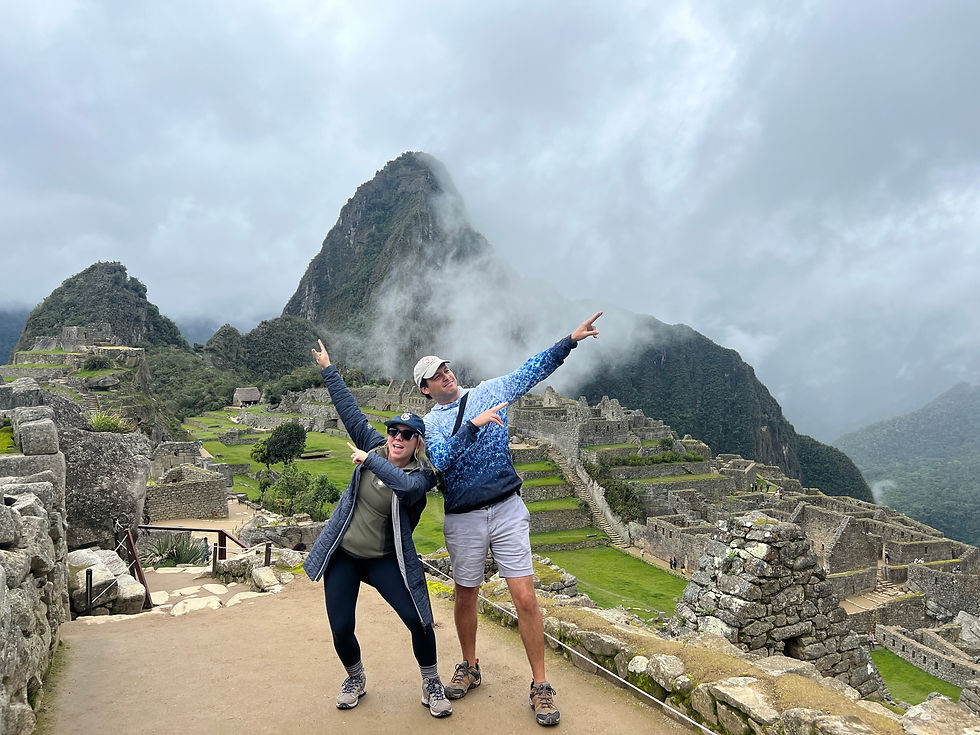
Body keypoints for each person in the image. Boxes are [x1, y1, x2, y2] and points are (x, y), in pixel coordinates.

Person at [415, 312, 602, 727]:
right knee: (466, 595)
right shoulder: (430, 424)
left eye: (445, 367)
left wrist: (568, 341)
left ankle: (540, 684)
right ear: (425, 389)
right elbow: (441, 461)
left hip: (505, 508)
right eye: (435, 374)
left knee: (526, 597)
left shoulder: (490, 391)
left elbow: (530, 370)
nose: (445, 374)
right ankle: (469, 664)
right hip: (463, 515)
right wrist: (474, 426)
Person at [303, 340, 452, 718]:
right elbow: (351, 413)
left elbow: (405, 488)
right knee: (341, 626)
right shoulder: (375, 446)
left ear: (418, 441)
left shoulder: (421, 476)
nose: (397, 439)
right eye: (392, 432)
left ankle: (431, 682)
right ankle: (355, 677)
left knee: (419, 620)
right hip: (346, 555)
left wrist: (370, 459)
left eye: (406, 434)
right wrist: (328, 369)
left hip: (386, 558)